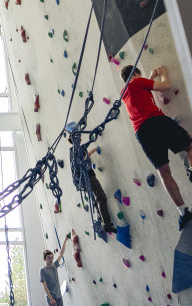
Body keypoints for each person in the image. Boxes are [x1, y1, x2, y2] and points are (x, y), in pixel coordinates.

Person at [120, 64, 192, 230]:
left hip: (142, 133)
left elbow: (141, 88)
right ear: (136, 74)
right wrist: (163, 75)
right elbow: (166, 86)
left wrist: (150, 77)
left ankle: (183, 212)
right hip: (155, 121)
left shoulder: (125, 93)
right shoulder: (137, 83)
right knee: (189, 146)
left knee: (163, 171)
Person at [65, 125, 115, 234]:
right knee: (101, 196)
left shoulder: (75, 150)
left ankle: (102, 220)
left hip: (86, 177)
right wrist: (92, 152)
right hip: (88, 175)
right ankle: (107, 224)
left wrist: (92, 151)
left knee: (96, 197)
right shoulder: (77, 150)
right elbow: (82, 161)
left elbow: (83, 159)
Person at [37, 235, 69, 306]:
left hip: (59, 296)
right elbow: (45, 287)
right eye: (49, 258)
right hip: (51, 298)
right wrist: (51, 299)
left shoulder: (55, 266)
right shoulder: (43, 270)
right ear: (45, 259)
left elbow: (61, 254)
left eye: (51, 257)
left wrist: (65, 240)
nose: (51, 259)